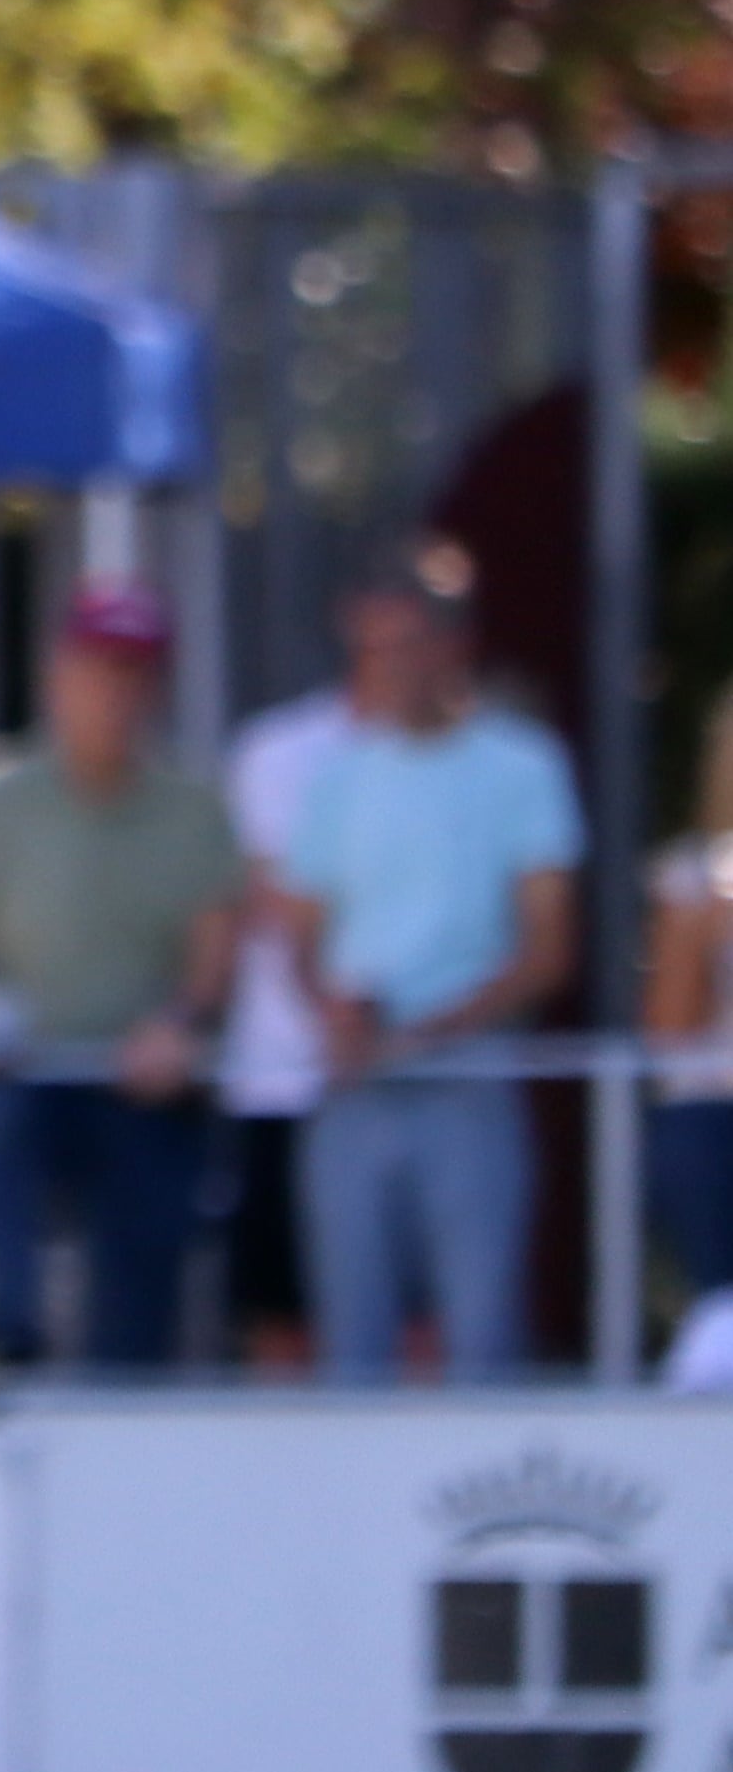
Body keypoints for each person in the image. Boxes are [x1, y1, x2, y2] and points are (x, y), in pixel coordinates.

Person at [0, 585, 242, 1367]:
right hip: (20, 1074)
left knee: (150, 1202)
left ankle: (128, 1382)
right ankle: (9, 1339)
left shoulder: (193, 809)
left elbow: (217, 963)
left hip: (143, 1085)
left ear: (157, 689)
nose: (113, 692)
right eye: (97, 670)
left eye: (133, 673)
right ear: (58, 675)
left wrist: (179, 1027)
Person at [282, 540, 583, 1380]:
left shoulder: (523, 765)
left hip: (471, 1082)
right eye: (371, 650)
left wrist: (434, 1026)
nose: (384, 669)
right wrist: (333, 1010)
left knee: (482, 1337)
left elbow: (547, 950)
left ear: (454, 647)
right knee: (353, 1350)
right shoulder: (339, 777)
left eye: (403, 647)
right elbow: (301, 934)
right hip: (355, 1087)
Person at [214, 678, 352, 1365]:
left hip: (419, 1070)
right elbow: (267, 895)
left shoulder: (489, 750)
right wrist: (340, 1012)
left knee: (425, 1324)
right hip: (284, 1080)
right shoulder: (280, 750)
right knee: (281, 1315)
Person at [643, 680, 733, 1323]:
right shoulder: (695, 872)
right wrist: (701, 934)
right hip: (712, 1115)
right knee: (720, 1312)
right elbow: (668, 1031)